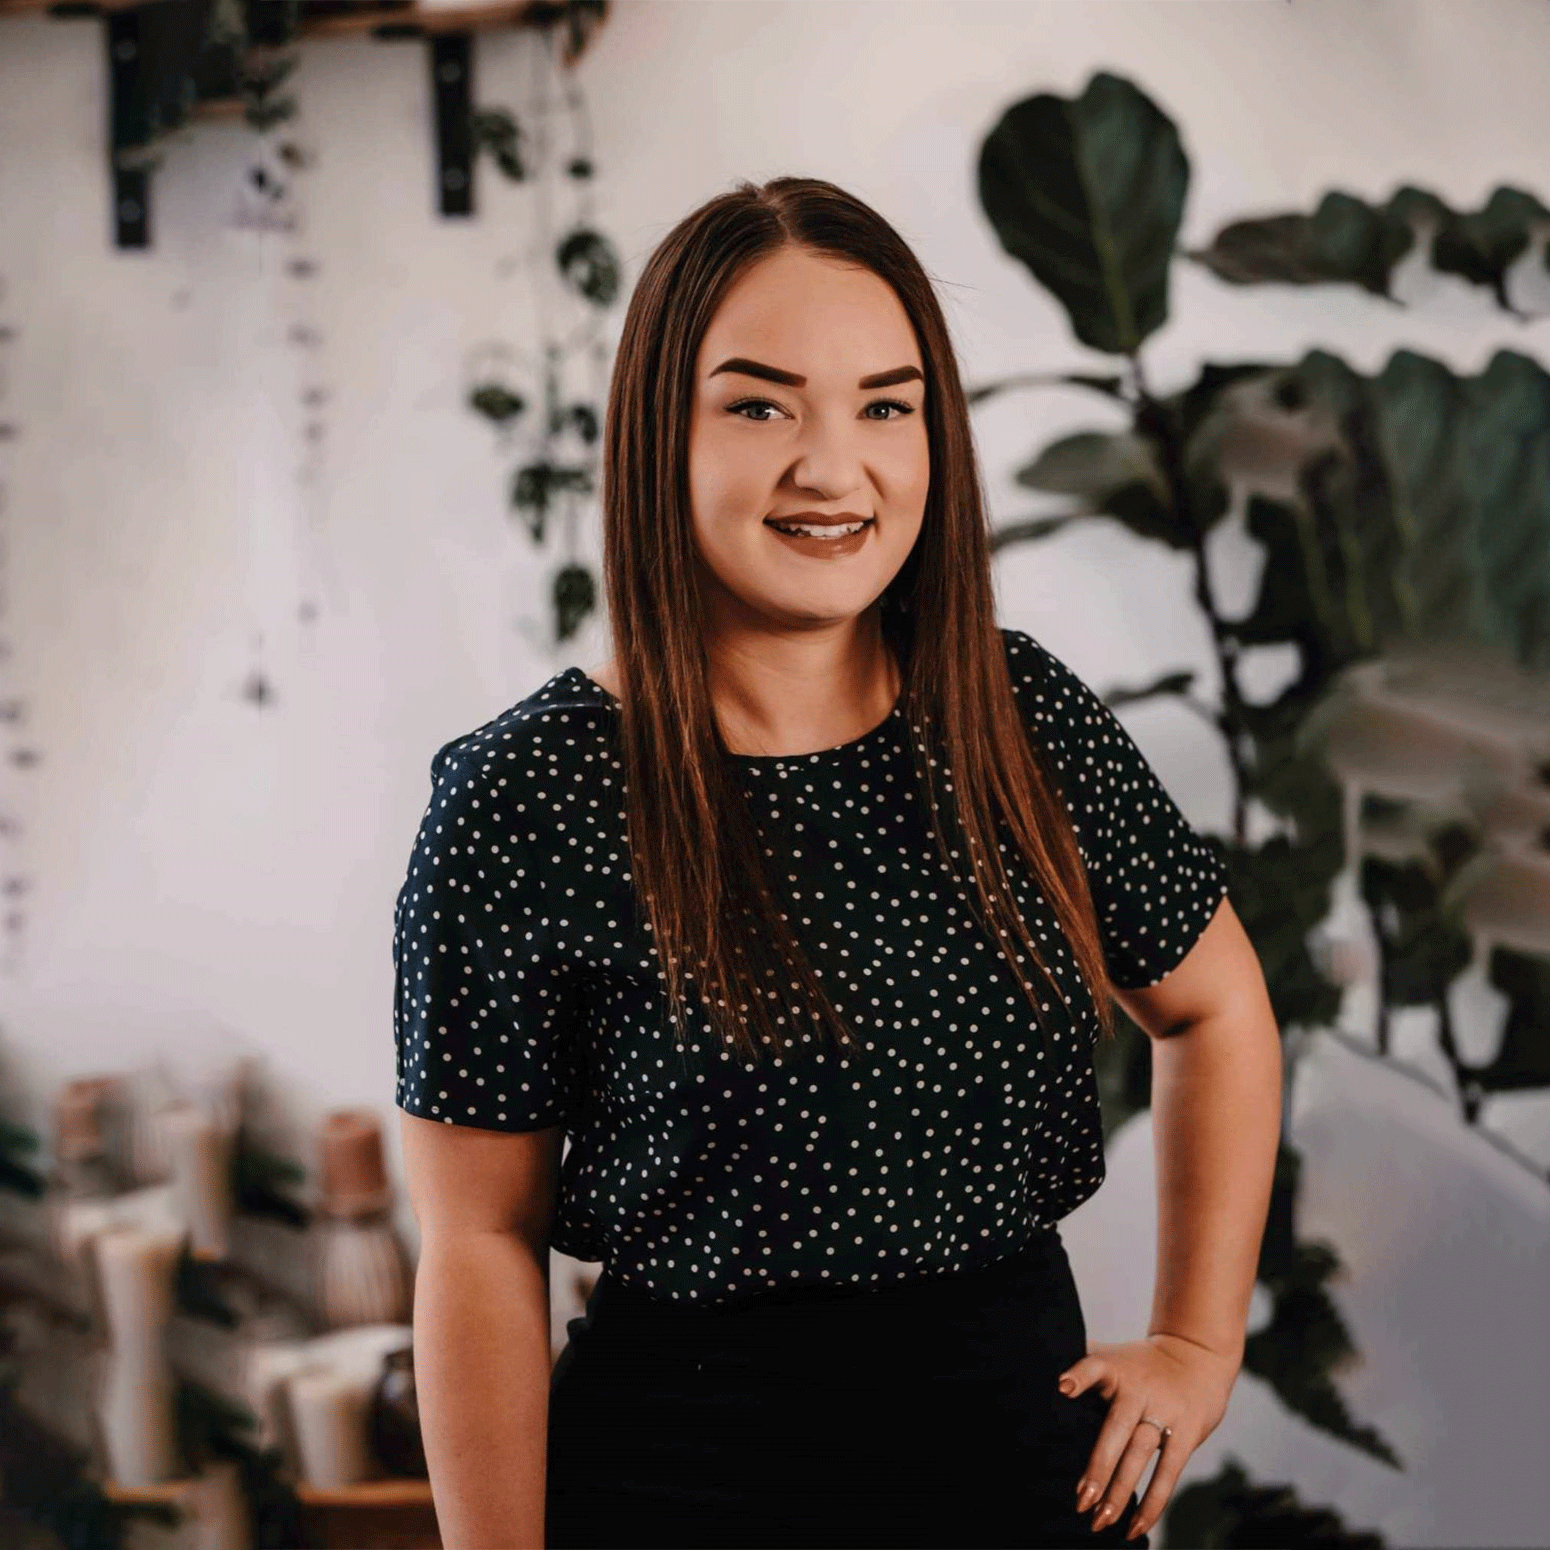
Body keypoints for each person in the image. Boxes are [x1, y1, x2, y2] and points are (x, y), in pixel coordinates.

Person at [393, 176, 1283, 1550]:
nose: (832, 466)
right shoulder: (526, 798)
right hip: (683, 1491)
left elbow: (1215, 1006)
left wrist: (1193, 1341)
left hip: (1021, 1485)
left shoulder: (1014, 714)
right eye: (759, 405)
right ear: (656, 436)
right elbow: (475, 1245)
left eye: (885, 404)